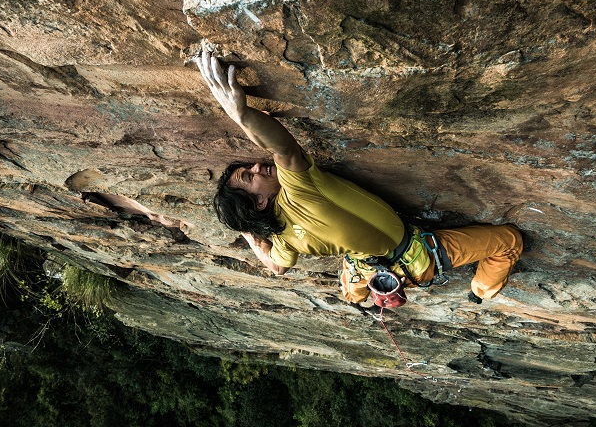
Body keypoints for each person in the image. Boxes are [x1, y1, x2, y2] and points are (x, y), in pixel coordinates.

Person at [196, 45, 523, 304]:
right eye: (250, 177)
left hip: (363, 268)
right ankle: (481, 291)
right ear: (262, 203)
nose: (256, 166)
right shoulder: (298, 190)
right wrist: (240, 113)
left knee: (353, 287)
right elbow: (283, 148)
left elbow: (277, 266)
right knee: (509, 241)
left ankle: (354, 296)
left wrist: (252, 237)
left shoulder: (281, 238)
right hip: (418, 258)